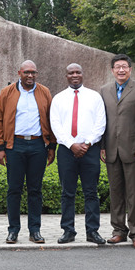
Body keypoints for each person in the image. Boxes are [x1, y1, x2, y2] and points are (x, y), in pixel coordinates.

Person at [0, 60, 56, 244]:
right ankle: (13, 230)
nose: (30, 75)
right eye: (27, 72)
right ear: (19, 73)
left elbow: (52, 119)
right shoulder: (7, 92)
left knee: (35, 190)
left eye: (33, 72)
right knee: (14, 189)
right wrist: (0, 148)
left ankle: (34, 230)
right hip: (15, 146)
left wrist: (52, 146)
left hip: (38, 146)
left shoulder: (44, 92)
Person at [50, 63, 107, 245]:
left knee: (91, 192)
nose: (74, 75)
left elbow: (100, 123)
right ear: (66, 76)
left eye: (78, 72)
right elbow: (55, 124)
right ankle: (68, 231)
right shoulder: (58, 99)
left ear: (83, 74)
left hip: (90, 150)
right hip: (66, 151)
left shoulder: (95, 97)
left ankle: (92, 231)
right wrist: (71, 144)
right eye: (71, 73)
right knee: (67, 192)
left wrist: (87, 143)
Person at [100, 54, 135, 249]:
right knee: (115, 193)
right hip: (111, 150)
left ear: (130, 69)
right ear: (112, 70)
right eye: (117, 67)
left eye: (124, 67)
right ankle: (118, 231)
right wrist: (102, 146)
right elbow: (102, 121)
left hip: (133, 150)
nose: (121, 70)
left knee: (134, 194)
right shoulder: (104, 90)